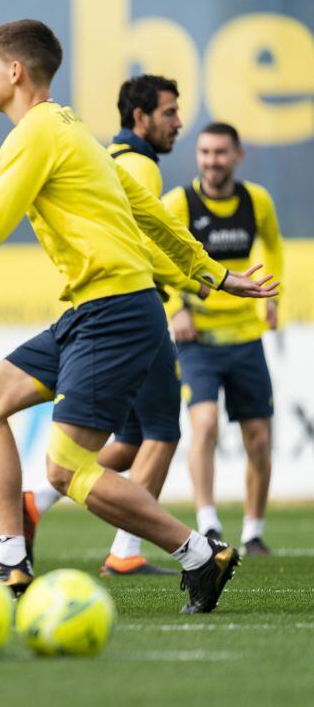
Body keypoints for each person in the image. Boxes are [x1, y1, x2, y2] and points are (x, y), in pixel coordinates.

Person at [0, 20, 278, 612]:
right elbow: (148, 211)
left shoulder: (36, 133)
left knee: (66, 469)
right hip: (98, 310)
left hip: (114, 313)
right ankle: (9, 557)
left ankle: (200, 555)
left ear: (15, 71)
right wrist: (211, 272)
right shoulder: (69, 126)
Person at [23, 74, 204, 577]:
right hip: (135, 316)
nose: (178, 122)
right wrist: (192, 280)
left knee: (128, 441)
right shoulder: (139, 165)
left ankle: (34, 502)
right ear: (140, 117)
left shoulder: (111, 156)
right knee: (162, 434)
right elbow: (142, 240)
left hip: (118, 313)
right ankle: (126, 551)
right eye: (170, 112)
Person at [163, 122, 283, 556]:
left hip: (246, 337)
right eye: (205, 152)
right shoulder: (178, 203)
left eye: (220, 153)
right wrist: (175, 307)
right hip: (198, 339)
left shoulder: (257, 202)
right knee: (206, 423)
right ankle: (208, 524)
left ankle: (252, 531)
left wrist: (272, 297)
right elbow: (156, 255)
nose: (212, 161)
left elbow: (272, 246)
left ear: (238, 155)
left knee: (259, 439)